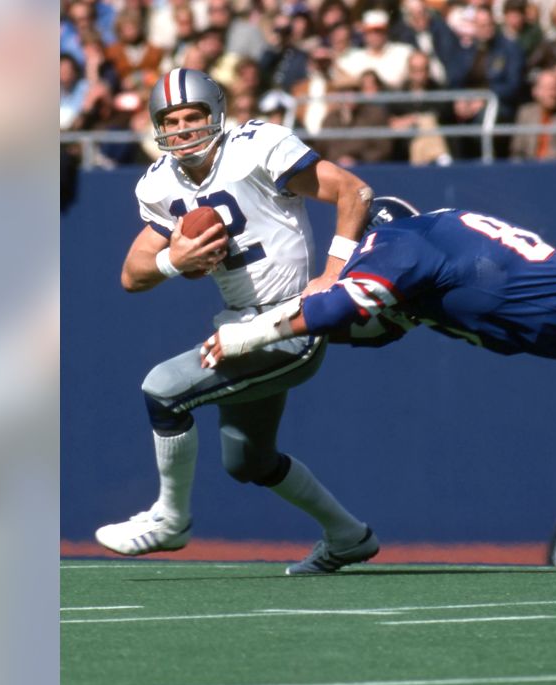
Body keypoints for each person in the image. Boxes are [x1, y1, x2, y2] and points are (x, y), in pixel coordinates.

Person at [95, 68, 383, 575]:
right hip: (237, 326)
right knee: (248, 460)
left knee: (162, 388)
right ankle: (348, 536)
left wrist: (333, 276)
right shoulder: (160, 182)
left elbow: (353, 192)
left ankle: (171, 518)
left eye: (192, 117)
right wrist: (171, 262)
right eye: (171, 120)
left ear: (216, 115)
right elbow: (132, 274)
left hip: (292, 320)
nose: (182, 129)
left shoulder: (257, 146)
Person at [201, 197, 556, 535]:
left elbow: (339, 308)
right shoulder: (442, 233)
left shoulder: (399, 242)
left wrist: (247, 334)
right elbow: (376, 326)